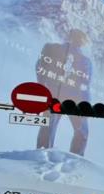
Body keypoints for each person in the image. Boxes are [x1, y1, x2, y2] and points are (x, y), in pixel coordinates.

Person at [35, 28, 93, 156]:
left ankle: (41, 155)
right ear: (81, 41)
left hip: (54, 96)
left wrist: (43, 87)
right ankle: (75, 159)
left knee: (48, 126)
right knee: (82, 131)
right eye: (82, 39)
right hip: (75, 101)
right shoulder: (85, 61)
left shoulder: (51, 48)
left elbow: (39, 68)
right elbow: (85, 86)